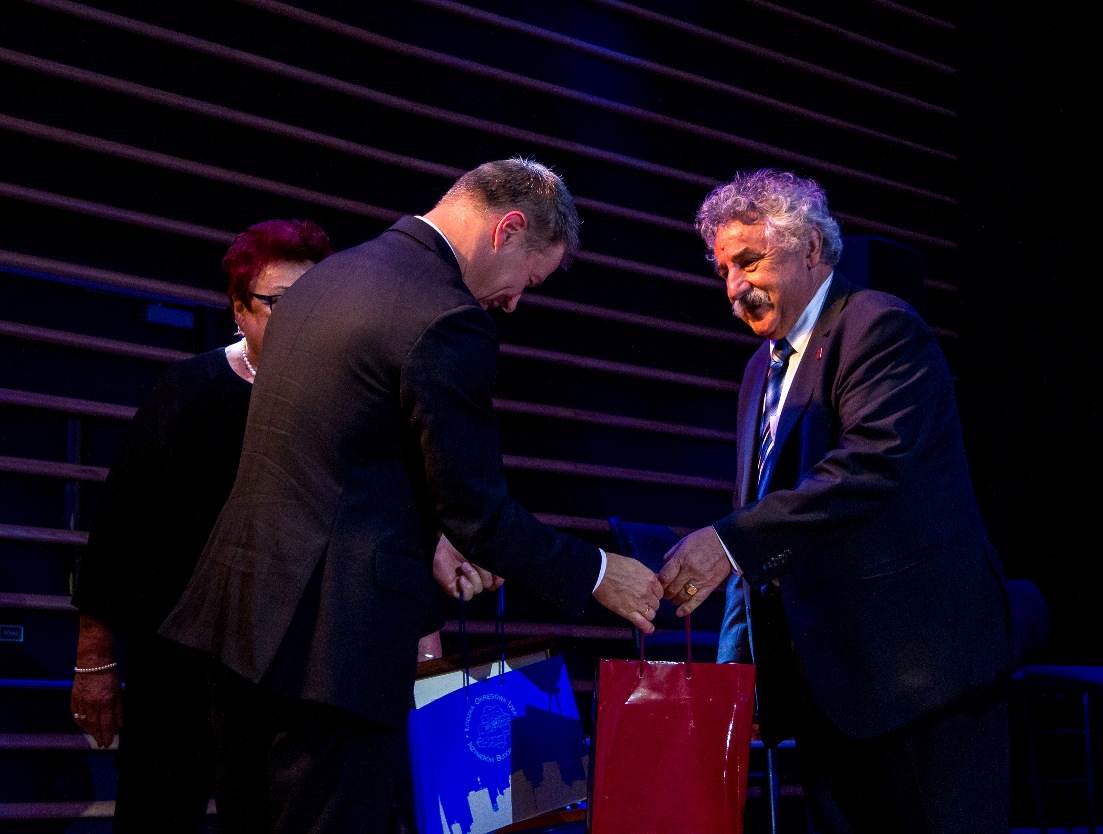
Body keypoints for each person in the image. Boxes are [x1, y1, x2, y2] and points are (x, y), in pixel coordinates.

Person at [158, 157, 663, 834]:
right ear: (509, 229)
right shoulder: (446, 316)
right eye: (529, 280)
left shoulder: (326, 281)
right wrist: (600, 573)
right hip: (334, 650)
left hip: (242, 626)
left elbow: (335, 459)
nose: (514, 302)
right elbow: (481, 515)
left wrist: (431, 539)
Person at [658, 169, 1014, 833]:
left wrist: (728, 542)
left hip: (920, 676)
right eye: (723, 270)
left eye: (749, 261)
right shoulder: (758, 370)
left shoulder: (879, 325)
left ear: (812, 249)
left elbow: (866, 469)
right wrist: (740, 669)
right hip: (828, 689)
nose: (733, 287)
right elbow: (760, 511)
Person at [70, 218, 335, 832]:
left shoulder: (341, 400)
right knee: (160, 811)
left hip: (286, 666)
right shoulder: (188, 392)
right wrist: (94, 658)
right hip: (177, 656)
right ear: (239, 310)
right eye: (280, 303)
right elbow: (118, 529)